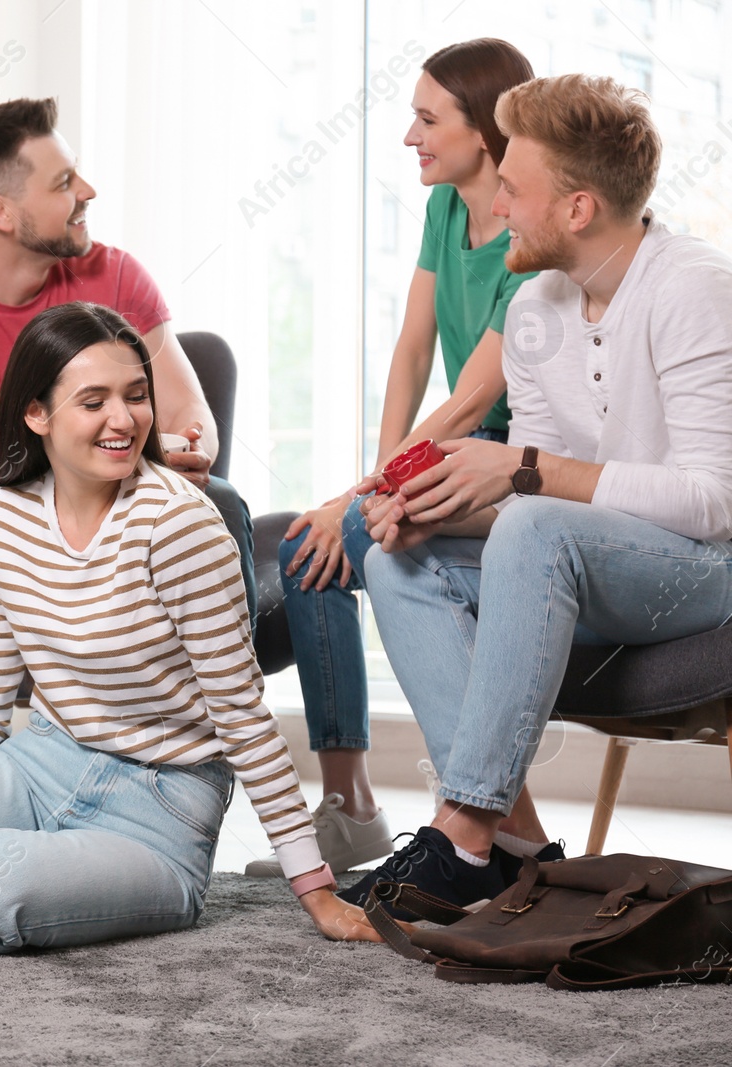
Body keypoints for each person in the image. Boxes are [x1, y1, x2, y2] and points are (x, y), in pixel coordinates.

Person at [0, 302, 380, 950]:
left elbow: (243, 718)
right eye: (94, 401)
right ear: (38, 415)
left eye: (136, 396)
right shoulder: (2, 519)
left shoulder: (183, 527)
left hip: (162, 809)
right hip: (41, 764)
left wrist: (317, 892)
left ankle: (9, 866)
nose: (124, 419)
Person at [342, 74, 732, 915]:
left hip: (701, 577)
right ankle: (507, 845)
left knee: (532, 520)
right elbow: (537, 502)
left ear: (579, 208)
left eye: (514, 191)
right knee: (398, 555)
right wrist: (445, 507)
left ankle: (465, 831)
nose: (500, 212)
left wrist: (522, 475)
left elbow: (713, 503)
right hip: (587, 560)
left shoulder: (694, 288)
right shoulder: (535, 306)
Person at [252, 40, 537, 879]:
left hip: (506, 456)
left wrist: (368, 493)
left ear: (483, 131)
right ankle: (353, 808)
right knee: (315, 546)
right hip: (446, 443)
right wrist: (379, 476)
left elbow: (472, 400)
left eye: (427, 118)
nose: (410, 135)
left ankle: (486, 828)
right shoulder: (446, 208)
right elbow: (413, 352)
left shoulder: (528, 238)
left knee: (335, 527)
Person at [0, 97, 256, 733]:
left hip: (122, 500)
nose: (87, 191)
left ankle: (203, 748)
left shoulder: (115, 274)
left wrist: (183, 448)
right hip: (3, 514)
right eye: (63, 183)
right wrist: (72, 470)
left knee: (218, 500)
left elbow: (189, 413)